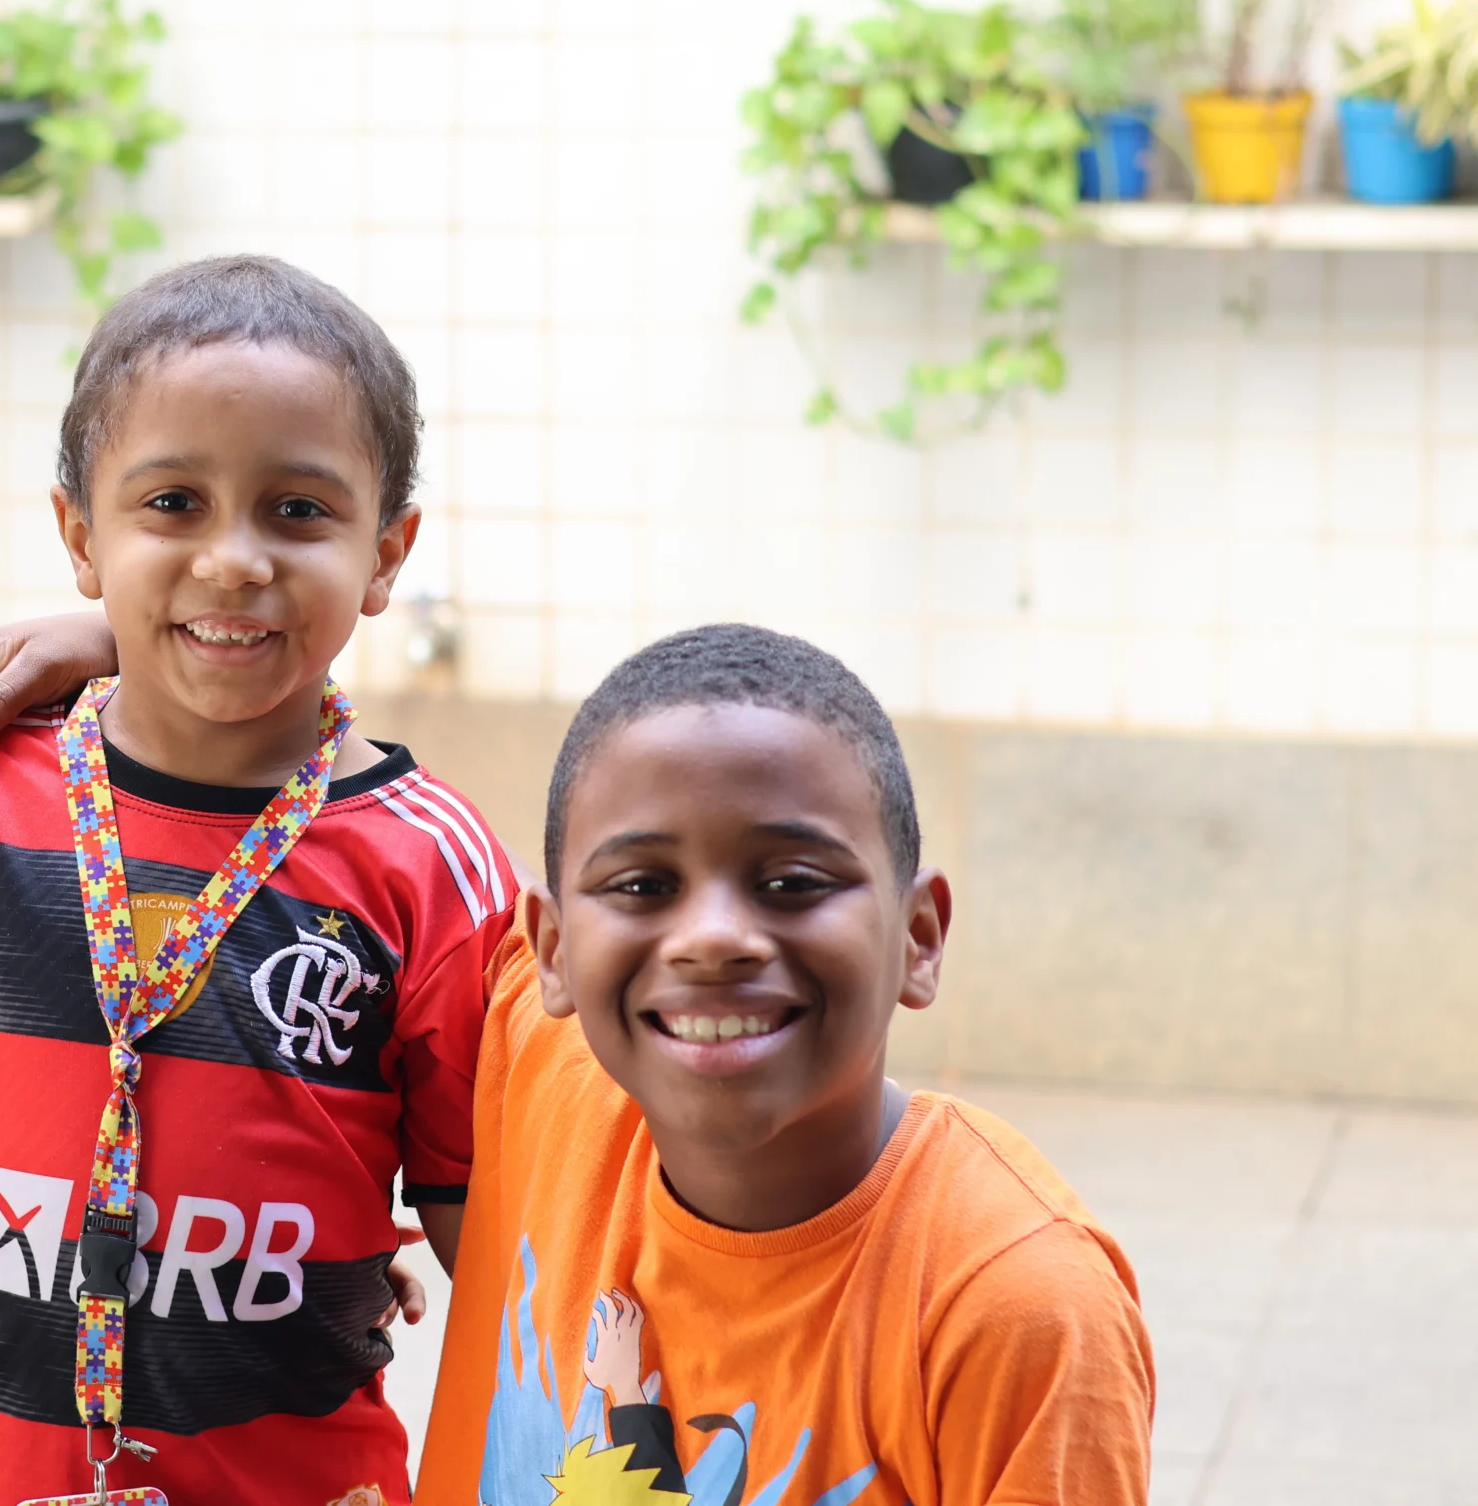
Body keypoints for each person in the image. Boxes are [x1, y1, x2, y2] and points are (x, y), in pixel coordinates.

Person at [0, 256, 517, 1506]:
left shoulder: (432, 865)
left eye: (298, 510)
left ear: (386, 553)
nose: (233, 560)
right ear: (80, 537)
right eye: (173, 504)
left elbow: (484, 1226)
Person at [418, 623, 1154, 1506]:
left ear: (919, 937)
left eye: (793, 882)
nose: (713, 937)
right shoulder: (549, 1072)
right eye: (643, 885)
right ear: (553, 949)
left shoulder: (1011, 1307)